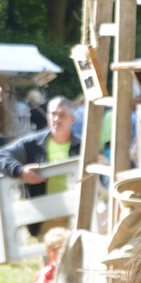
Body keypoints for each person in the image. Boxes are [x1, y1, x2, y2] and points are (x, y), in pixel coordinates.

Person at [0, 95, 81, 236]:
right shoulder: (32, 144)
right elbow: (2, 155)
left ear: (72, 119)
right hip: (45, 219)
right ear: (47, 116)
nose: (57, 119)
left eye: (62, 115)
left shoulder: (82, 146)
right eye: (53, 114)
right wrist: (20, 171)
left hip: (77, 215)